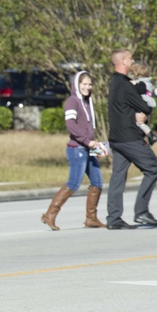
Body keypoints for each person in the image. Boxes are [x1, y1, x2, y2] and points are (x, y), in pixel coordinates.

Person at [106, 49, 157, 229]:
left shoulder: (115, 82)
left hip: (116, 139)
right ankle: (141, 212)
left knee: (117, 177)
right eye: (130, 59)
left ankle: (114, 219)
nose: (133, 61)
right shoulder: (126, 85)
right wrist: (144, 114)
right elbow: (144, 107)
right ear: (123, 61)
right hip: (130, 138)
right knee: (152, 170)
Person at [41, 71, 105, 231]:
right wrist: (87, 141)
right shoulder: (73, 101)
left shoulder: (87, 102)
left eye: (90, 84)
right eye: (84, 84)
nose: (87, 87)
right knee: (74, 183)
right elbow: (71, 125)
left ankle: (91, 218)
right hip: (77, 149)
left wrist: (94, 144)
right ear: (77, 84)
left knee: (97, 182)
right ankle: (49, 214)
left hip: (88, 149)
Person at [129, 60, 157, 146]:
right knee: (140, 122)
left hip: (144, 104)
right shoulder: (147, 81)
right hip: (146, 104)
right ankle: (149, 136)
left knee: (139, 122)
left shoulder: (142, 82)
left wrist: (134, 84)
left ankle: (151, 135)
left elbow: (141, 89)